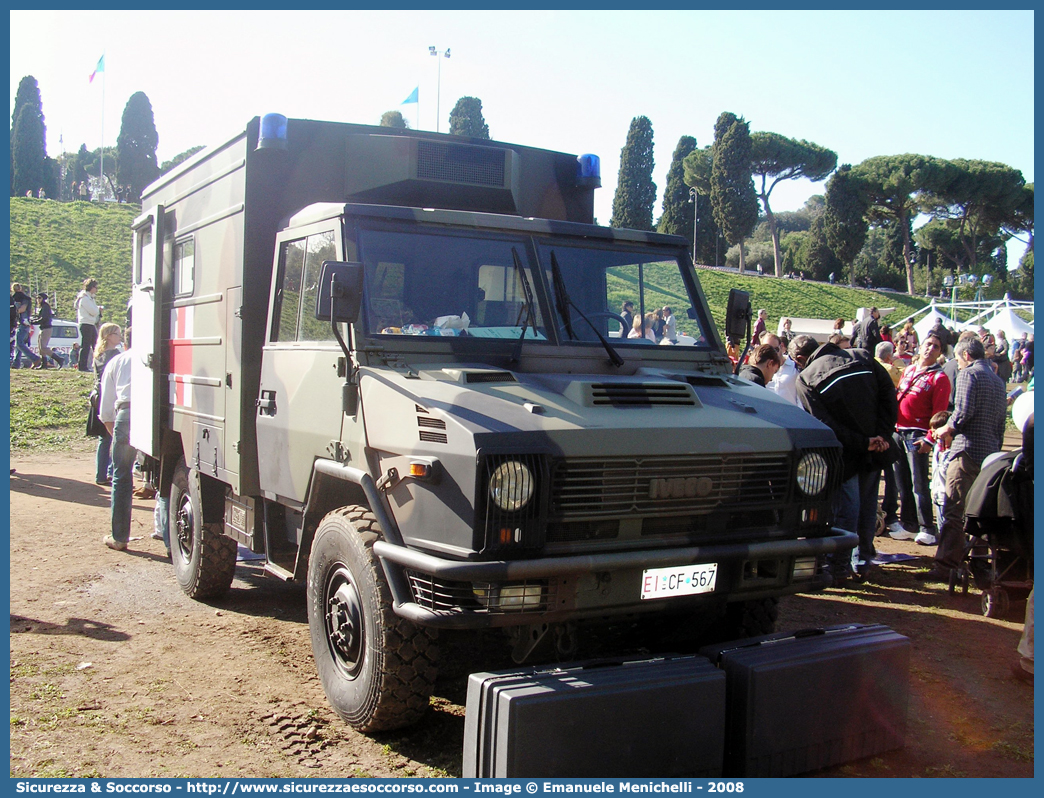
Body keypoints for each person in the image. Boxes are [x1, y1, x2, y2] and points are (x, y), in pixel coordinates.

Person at [795, 335, 898, 582]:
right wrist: (881, 435)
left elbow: (823, 423)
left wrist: (863, 442)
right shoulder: (862, 356)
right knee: (866, 507)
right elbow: (890, 396)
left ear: (800, 359)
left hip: (847, 454)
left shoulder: (806, 377)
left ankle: (840, 565)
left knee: (848, 510)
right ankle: (862, 562)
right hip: (876, 448)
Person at [922, 336, 1007, 581]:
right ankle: (980, 564)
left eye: (958, 360)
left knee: (954, 510)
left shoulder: (969, 374)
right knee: (979, 513)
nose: (958, 365)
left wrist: (945, 429)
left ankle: (947, 565)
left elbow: (962, 412)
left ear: (966, 356)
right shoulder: (997, 380)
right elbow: (1000, 423)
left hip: (966, 451)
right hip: (989, 455)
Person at [884, 334, 950, 545]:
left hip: (918, 433)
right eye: (928, 344)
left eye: (936, 346)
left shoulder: (939, 378)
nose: (930, 349)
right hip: (898, 430)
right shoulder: (909, 369)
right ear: (920, 347)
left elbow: (940, 413)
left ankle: (927, 527)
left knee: (919, 483)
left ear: (940, 352)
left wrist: (930, 439)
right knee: (901, 480)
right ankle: (909, 523)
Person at [99, 327, 137, 552]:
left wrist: (117, 436)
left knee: (121, 477)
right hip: (156, 413)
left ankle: (119, 536)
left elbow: (106, 410)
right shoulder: (157, 357)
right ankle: (169, 540)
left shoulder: (117, 362)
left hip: (126, 413)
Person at [92, 323, 123, 486]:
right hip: (110, 396)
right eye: (117, 334)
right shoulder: (114, 354)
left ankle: (102, 473)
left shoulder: (99, 354)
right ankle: (110, 472)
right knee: (112, 436)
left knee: (104, 438)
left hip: (99, 396)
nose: (120, 337)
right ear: (109, 336)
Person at [9, 284, 39, 369]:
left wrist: (13, 311)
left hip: (22, 323)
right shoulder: (26, 298)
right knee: (19, 343)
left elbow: (22, 309)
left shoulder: (16, 298)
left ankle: (35, 358)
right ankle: (16, 363)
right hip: (24, 323)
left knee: (19, 344)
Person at [75, 278, 102, 371]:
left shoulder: (90, 298)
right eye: (95, 287)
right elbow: (94, 311)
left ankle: (96, 364)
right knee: (86, 346)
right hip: (86, 323)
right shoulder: (85, 299)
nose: (96, 289)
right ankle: (82, 366)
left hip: (90, 323)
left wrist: (96, 310)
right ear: (91, 287)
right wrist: (98, 310)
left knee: (94, 344)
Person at [29, 292, 57, 369]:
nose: (37, 300)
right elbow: (39, 317)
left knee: (43, 347)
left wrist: (33, 322)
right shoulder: (42, 307)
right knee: (40, 347)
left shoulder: (45, 307)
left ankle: (58, 359)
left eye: (39, 298)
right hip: (43, 328)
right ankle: (44, 364)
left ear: (43, 299)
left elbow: (43, 318)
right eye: (37, 298)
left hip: (46, 328)